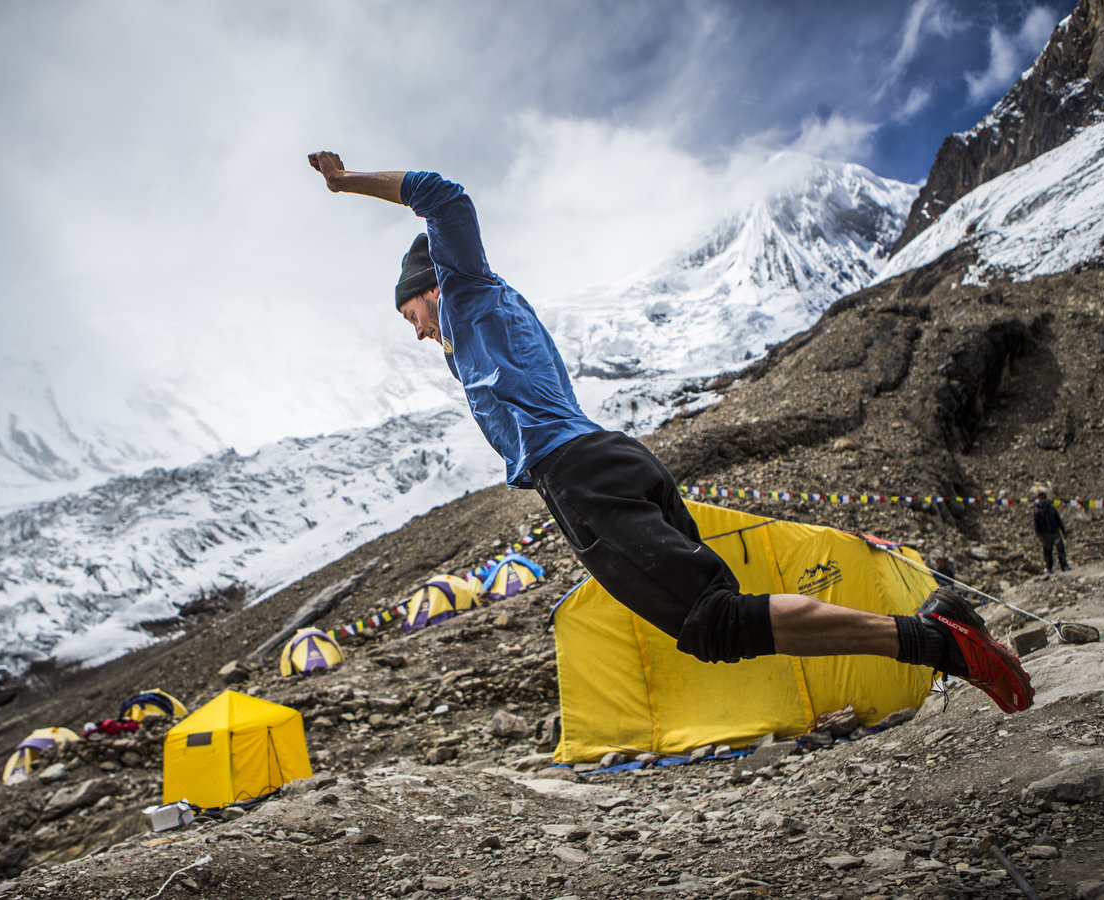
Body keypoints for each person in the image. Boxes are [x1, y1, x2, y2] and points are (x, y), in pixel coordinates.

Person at [308, 151, 1033, 713]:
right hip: (612, 460)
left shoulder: (466, 293)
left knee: (715, 622)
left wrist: (348, 185)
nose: (417, 333)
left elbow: (445, 196)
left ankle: (944, 644)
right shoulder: (482, 329)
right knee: (723, 620)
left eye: (411, 316)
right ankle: (941, 636)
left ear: (431, 287)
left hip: (581, 476)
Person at [1033, 492, 1070, 574]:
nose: (1042, 499)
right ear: (1038, 499)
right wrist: (1039, 536)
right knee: (1047, 552)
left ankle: (1064, 566)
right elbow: (1036, 525)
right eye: (1040, 498)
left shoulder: (1052, 508)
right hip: (1045, 534)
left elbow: (1059, 520)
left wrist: (1063, 531)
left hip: (1055, 532)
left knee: (1060, 549)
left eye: (1043, 497)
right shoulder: (1037, 511)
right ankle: (1049, 568)